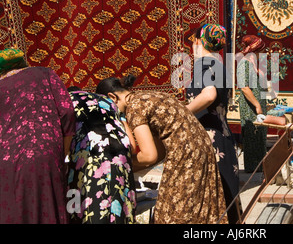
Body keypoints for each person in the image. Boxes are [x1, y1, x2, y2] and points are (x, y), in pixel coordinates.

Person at [96, 75, 228, 224]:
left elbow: (149, 155)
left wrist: (118, 164)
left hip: (187, 155)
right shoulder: (151, 96)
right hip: (200, 149)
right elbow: (159, 153)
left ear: (112, 97)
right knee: (197, 210)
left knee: (172, 213)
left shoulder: (134, 107)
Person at [0, 48, 76, 223]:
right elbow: (67, 111)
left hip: (3, 164)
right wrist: (62, 151)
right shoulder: (44, 73)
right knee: (45, 208)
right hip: (42, 154)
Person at [185, 24, 241, 224]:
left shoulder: (205, 63)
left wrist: (183, 112)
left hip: (210, 141)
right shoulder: (219, 64)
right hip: (222, 138)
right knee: (226, 199)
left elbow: (209, 94)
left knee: (211, 202)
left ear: (199, 41)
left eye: (193, 41)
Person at [66, 87, 136, 224]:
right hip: (120, 159)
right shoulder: (108, 103)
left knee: (85, 209)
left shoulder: (65, 101)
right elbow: (132, 146)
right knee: (119, 211)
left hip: (88, 158)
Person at [236, 35, 268, 173]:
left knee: (259, 135)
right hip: (250, 107)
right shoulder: (244, 63)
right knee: (252, 135)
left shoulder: (253, 64)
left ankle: (260, 166)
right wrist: (257, 105)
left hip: (257, 104)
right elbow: (244, 87)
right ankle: (253, 168)